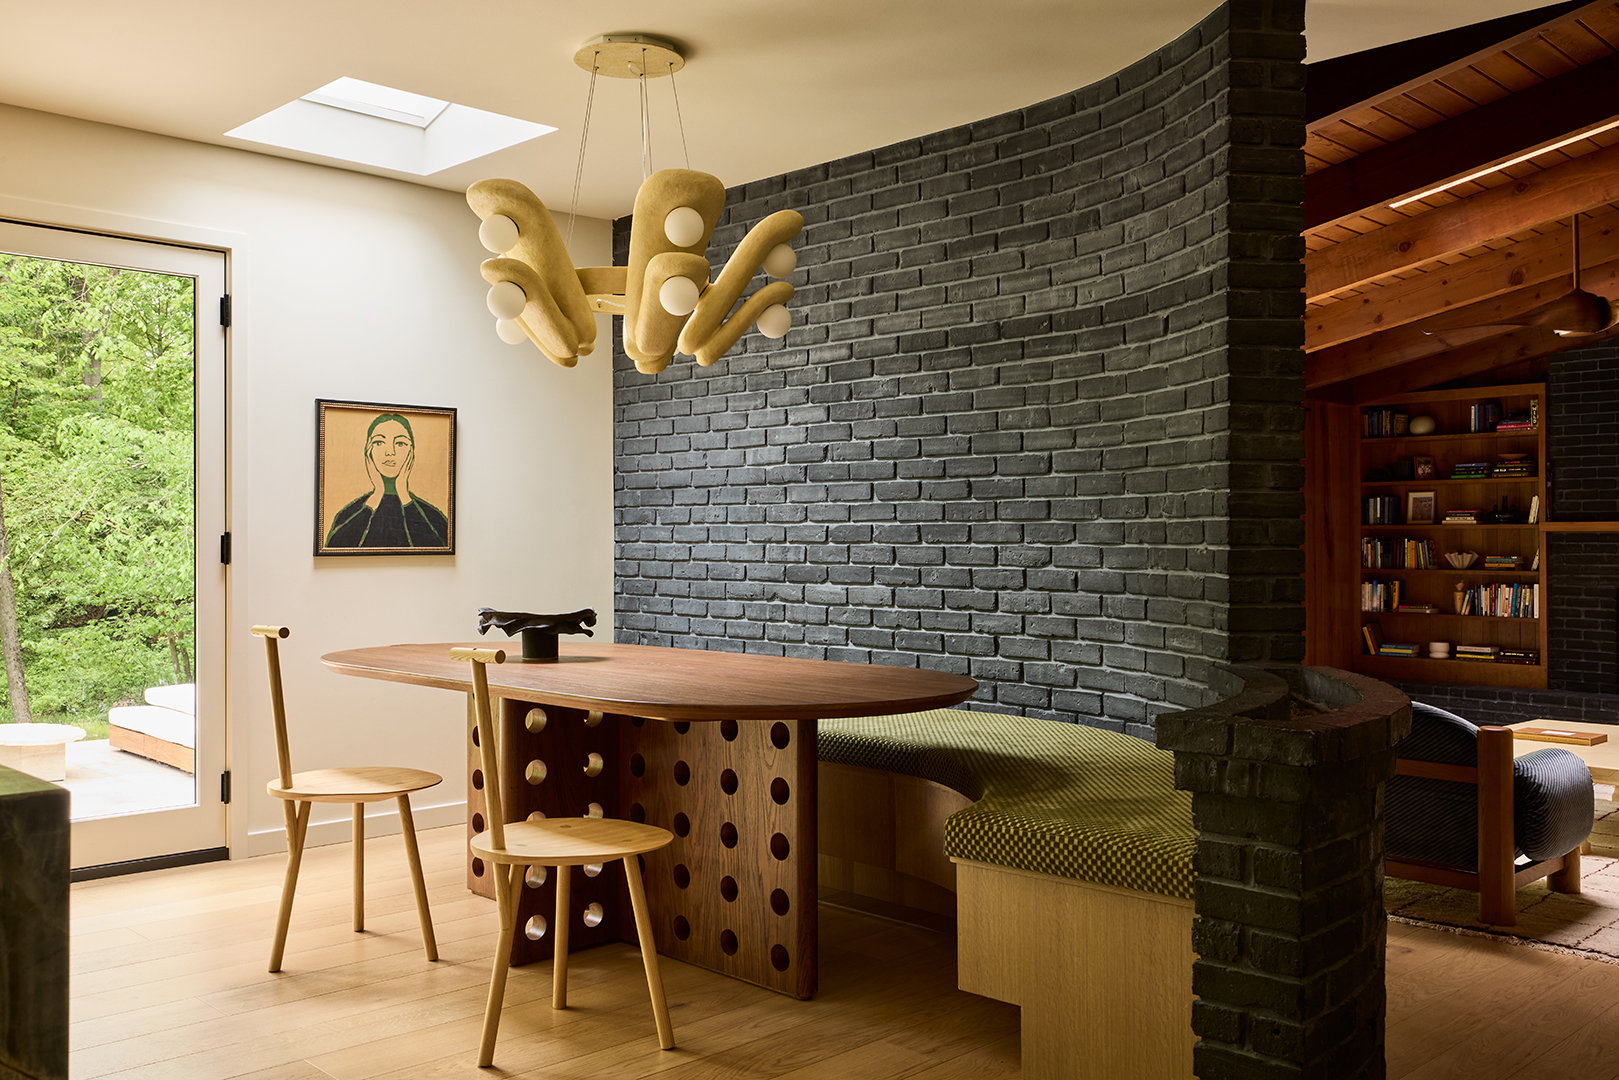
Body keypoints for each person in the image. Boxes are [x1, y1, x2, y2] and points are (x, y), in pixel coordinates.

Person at [325, 413, 449, 549]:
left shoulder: (432, 516)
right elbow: (335, 548)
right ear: (368, 451)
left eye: (400, 443)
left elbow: (434, 549)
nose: (390, 452)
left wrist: (403, 492)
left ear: (411, 452)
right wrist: (378, 493)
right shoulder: (350, 514)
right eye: (379, 443)